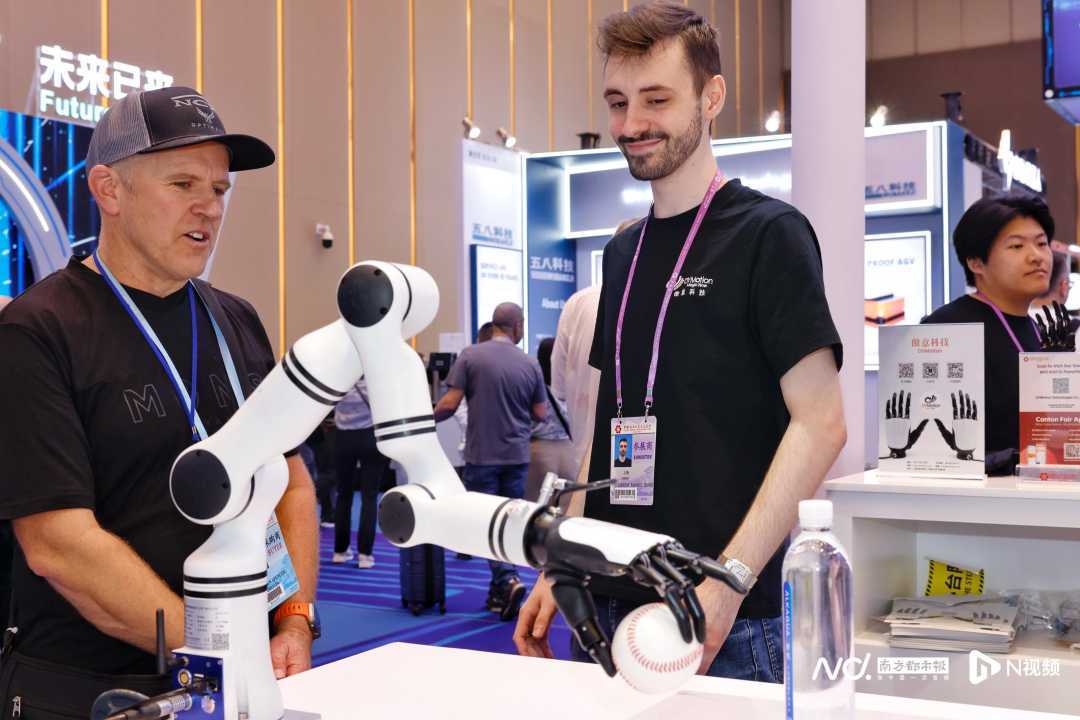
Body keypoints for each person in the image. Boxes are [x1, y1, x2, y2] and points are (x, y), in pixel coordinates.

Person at [514, 2, 846, 682]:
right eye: (617, 102)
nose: (631, 125)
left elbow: (822, 423)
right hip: (606, 599)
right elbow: (606, 429)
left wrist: (730, 581)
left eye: (656, 99)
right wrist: (563, 558)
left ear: (711, 97)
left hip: (724, 615)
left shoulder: (769, 235)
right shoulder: (624, 252)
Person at [0, 86, 319, 710]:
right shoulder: (37, 331)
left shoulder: (235, 320)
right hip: (91, 689)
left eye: (220, 189)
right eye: (182, 184)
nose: (209, 208)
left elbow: (292, 483)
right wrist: (214, 648)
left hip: (239, 675)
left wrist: (294, 620)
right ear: (109, 190)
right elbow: (58, 543)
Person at [922, 194, 1059, 474]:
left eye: (1042, 243)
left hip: (1038, 488)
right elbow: (935, 444)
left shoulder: (1037, 329)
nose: (1036, 256)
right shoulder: (948, 328)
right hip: (981, 496)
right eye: (1017, 246)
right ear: (976, 263)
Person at [434, 302, 547, 619]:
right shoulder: (529, 363)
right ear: (517, 325)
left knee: (485, 521)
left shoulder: (471, 356)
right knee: (509, 520)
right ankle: (500, 589)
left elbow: (449, 404)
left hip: (481, 455)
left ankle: (506, 580)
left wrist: (423, 421)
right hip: (516, 455)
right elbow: (541, 413)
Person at [550, 219, 638, 481]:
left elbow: (558, 385)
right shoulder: (652, 299)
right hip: (636, 452)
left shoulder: (577, 302)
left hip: (583, 449)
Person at [332, 379, 391, 569]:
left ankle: (340, 551)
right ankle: (365, 555)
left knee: (343, 495)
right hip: (370, 435)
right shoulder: (374, 376)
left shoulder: (338, 376)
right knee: (369, 497)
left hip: (342, 437)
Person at [525, 337, 576, 502]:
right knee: (567, 504)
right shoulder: (570, 385)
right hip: (568, 449)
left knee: (537, 504)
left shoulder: (533, 384)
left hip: (539, 449)